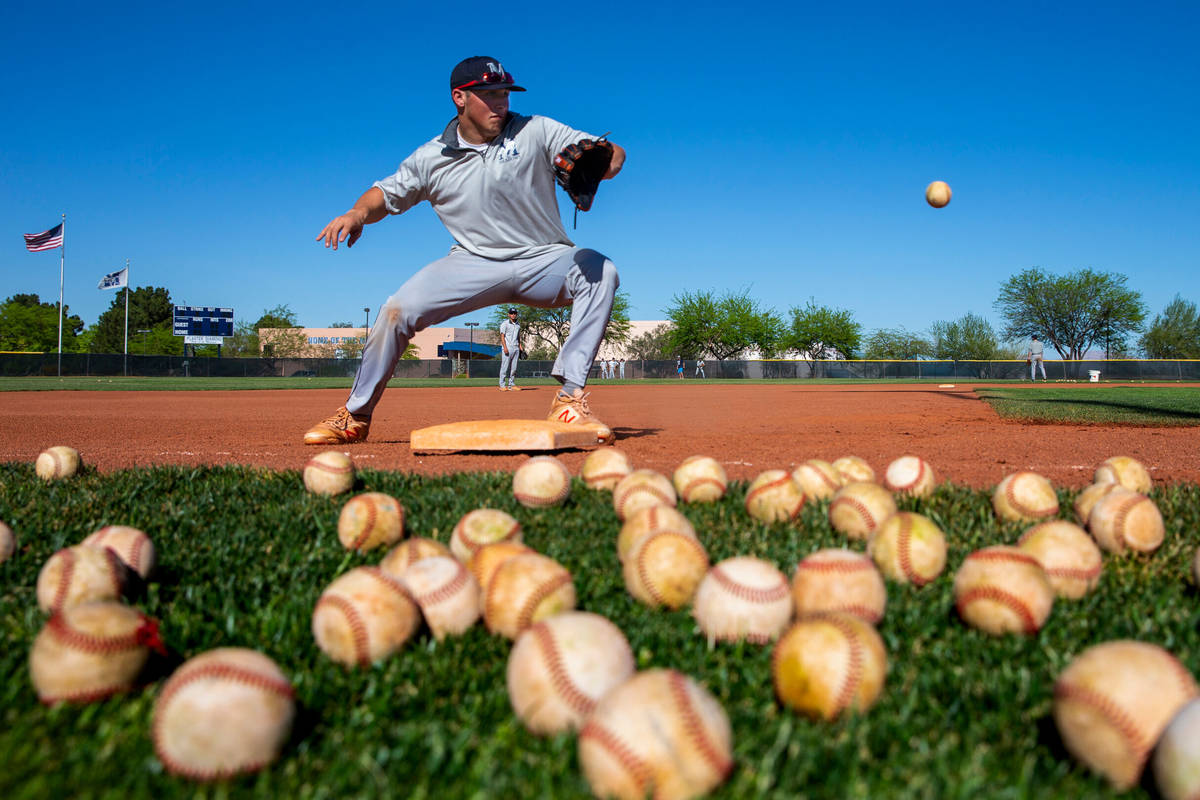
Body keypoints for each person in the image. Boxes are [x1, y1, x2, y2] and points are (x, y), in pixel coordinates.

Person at [306, 56, 625, 445]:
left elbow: (613, 154)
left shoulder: (536, 130)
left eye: (504, 93)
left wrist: (604, 162)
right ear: (460, 98)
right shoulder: (432, 157)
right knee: (395, 311)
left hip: (543, 260)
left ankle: (569, 397)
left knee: (600, 270)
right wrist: (357, 213)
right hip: (473, 263)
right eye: (489, 95)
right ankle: (354, 415)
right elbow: (385, 193)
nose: (501, 102)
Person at [498, 308, 521, 391]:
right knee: (505, 367)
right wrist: (505, 347)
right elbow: (502, 336)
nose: (513, 314)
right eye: (511, 313)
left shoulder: (518, 325)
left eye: (515, 313)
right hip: (508, 347)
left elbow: (518, 337)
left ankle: (511, 384)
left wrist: (520, 347)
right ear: (509, 314)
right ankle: (502, 385)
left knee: (514, 368)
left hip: (516, 347)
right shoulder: (505, 324)